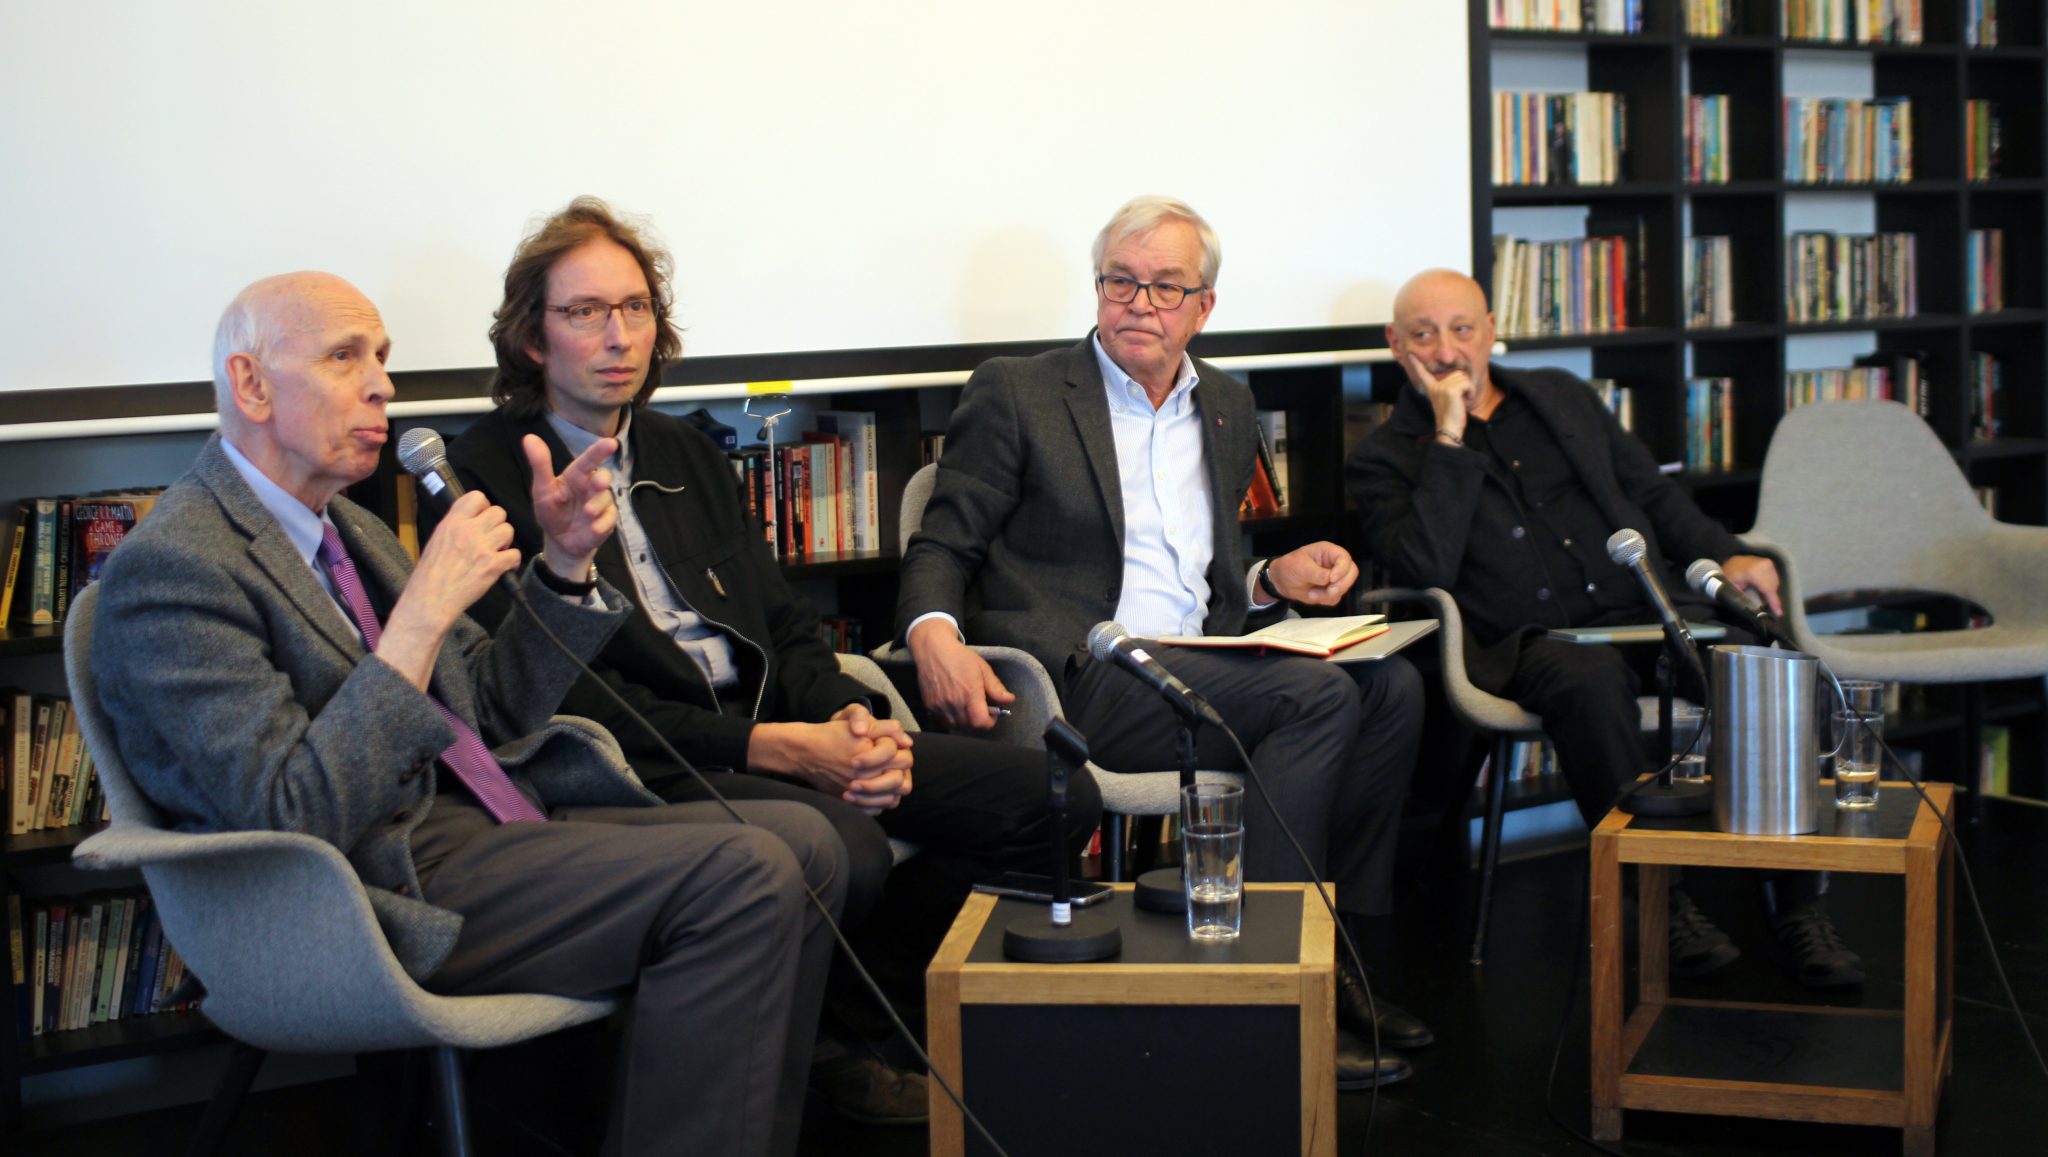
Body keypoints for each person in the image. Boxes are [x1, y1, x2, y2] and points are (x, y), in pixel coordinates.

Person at [91, 272, 849, 1157]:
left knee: (810, 843)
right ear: (252, 384)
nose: (382, 385)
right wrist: (419, 616)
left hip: (482, 823)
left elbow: (488, 710)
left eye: (382, 358)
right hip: (367, 882)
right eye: (346, 357)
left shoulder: (349, 531)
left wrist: (564, 565)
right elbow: (287, 812)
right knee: (746, 870)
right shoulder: (175, 567)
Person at [446, 197, 1097, 1121]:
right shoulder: (483, 477)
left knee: (1055, 797)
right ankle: (831, 1052)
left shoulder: (686, 449)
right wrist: (778, 748)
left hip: (778, 729)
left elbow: (787, 625)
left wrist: (847, 717)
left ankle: (864, 1022)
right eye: (584, 312)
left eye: (634, 308)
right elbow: (575, 698)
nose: (617, 335)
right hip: (646, 764)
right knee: (848, 844)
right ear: (530, 338)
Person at [896, 195, 1430, 1088]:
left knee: (1393, 691)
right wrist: (934, 637)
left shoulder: (1223, 400)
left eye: (1164, 287)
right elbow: (941, 544)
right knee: (1318, 697)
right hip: (1086, 671)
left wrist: (1271, 581)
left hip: (1206, 658)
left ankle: (1336, 961)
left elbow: (1210, 578)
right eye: (1120, 281)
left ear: (1203, 306)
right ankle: (1269, 989)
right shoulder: (1019, 393)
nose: (1139, 303)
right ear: (1098, 286)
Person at [1346, 267, 1862, 988]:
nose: (1446, 349)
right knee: (1586, 681)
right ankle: (1662, 900)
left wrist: (1726, 551)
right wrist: (1450, 434)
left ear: (1492, 329)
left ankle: (1797, 904)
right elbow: (1423, 563)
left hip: (1642, 612)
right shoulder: (1383, 457)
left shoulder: (1559, 396)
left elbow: (1650, 491)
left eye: (1462, 328)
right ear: (1394, 345)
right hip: (1524, 646)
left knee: (1767, 665)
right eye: (1423, 334)